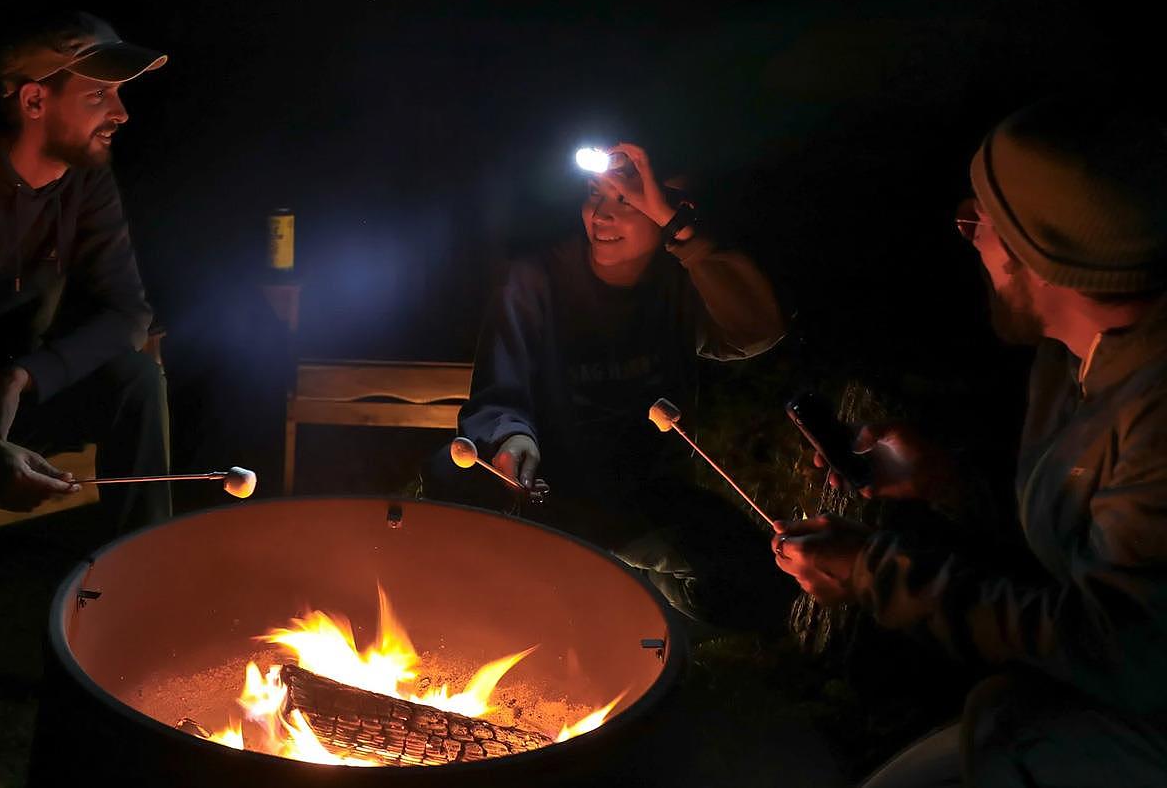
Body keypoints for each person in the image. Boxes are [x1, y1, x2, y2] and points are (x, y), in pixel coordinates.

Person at [772, 96, 1167, 786]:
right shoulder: (1072, 357)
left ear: (1039, 257)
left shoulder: (1156, 416)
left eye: (977, 221)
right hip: (1068, 705)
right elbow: (1082, 540)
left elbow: (1121, 649)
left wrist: (875, 574)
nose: (966, 233)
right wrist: (944, 481)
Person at [0, 10, 170, 762]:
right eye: (100, 95)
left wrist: (28, 374)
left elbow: (127, 310)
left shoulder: (84, 183)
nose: (121, 112)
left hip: (10, 380)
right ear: (32, 100)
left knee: (134, 380)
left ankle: (146, 621)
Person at [426, 142, 788, 624]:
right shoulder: (535, 281)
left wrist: (681, 230)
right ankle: (580, 581)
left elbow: (756, 332)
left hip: (645, 496)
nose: (600, 214)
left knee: (760, 581)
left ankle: (613, 585)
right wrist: (512, 440)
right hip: (551, 491)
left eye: (625, 201)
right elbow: (498, 391)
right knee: (451, 479)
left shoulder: (679, 282)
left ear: (669, 210)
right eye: (594, 193)